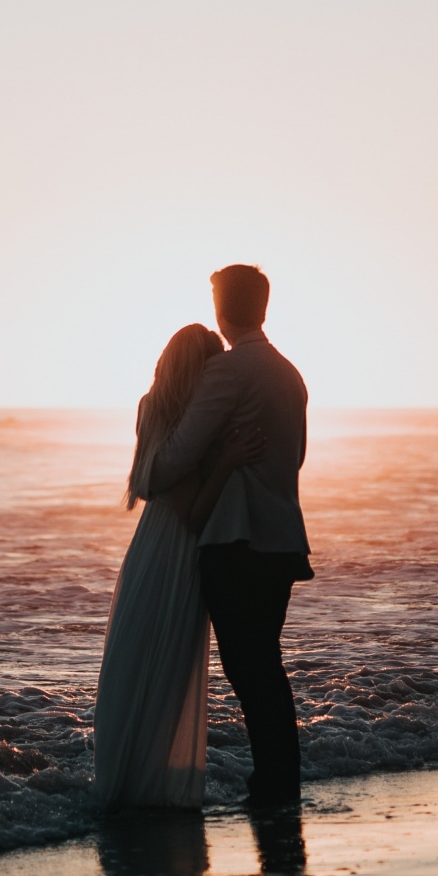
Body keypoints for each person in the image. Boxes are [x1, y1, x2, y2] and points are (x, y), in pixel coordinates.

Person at [148, 265, 311, 807]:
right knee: (265, 664)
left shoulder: (230, 371)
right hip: (283, 539)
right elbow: (297, 459)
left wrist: (154, 460)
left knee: (249, 670)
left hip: (236, 543)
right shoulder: (290, 374)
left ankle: (273, 785)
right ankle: (278, 779)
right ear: (263, 308)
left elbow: (175, 458)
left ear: (221, 310)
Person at [93, 324, 263, 809]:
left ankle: (121, 778)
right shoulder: (190, 427)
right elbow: (193, 513)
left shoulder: (150, 408)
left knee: (132, 662)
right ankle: (148, 788)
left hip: (147, 546)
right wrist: (228, 460)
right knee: (166, 668)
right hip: (179, 555)